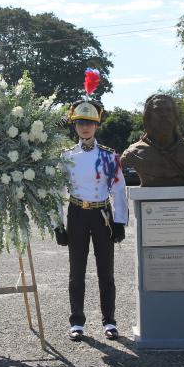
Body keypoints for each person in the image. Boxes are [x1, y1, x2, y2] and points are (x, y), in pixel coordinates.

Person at [55, 68, 128, 342]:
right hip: (76, 214)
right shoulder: (65, 156)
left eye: (89, 122)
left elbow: (119, 189)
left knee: (106, 272)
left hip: (102, 215)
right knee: (76, 273)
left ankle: (109, 321)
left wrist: (120, 221)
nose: (85, 127)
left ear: (97, 125)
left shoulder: (110, 156)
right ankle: (77, 322)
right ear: (74, 125)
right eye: (80, 123)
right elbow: (55, 191)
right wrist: (56, 224)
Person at [121, 93, 184, 186]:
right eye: (158, 110)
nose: (164, 114)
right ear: (148, 116)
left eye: (168, 110)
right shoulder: (133, 153)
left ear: (175, 116)